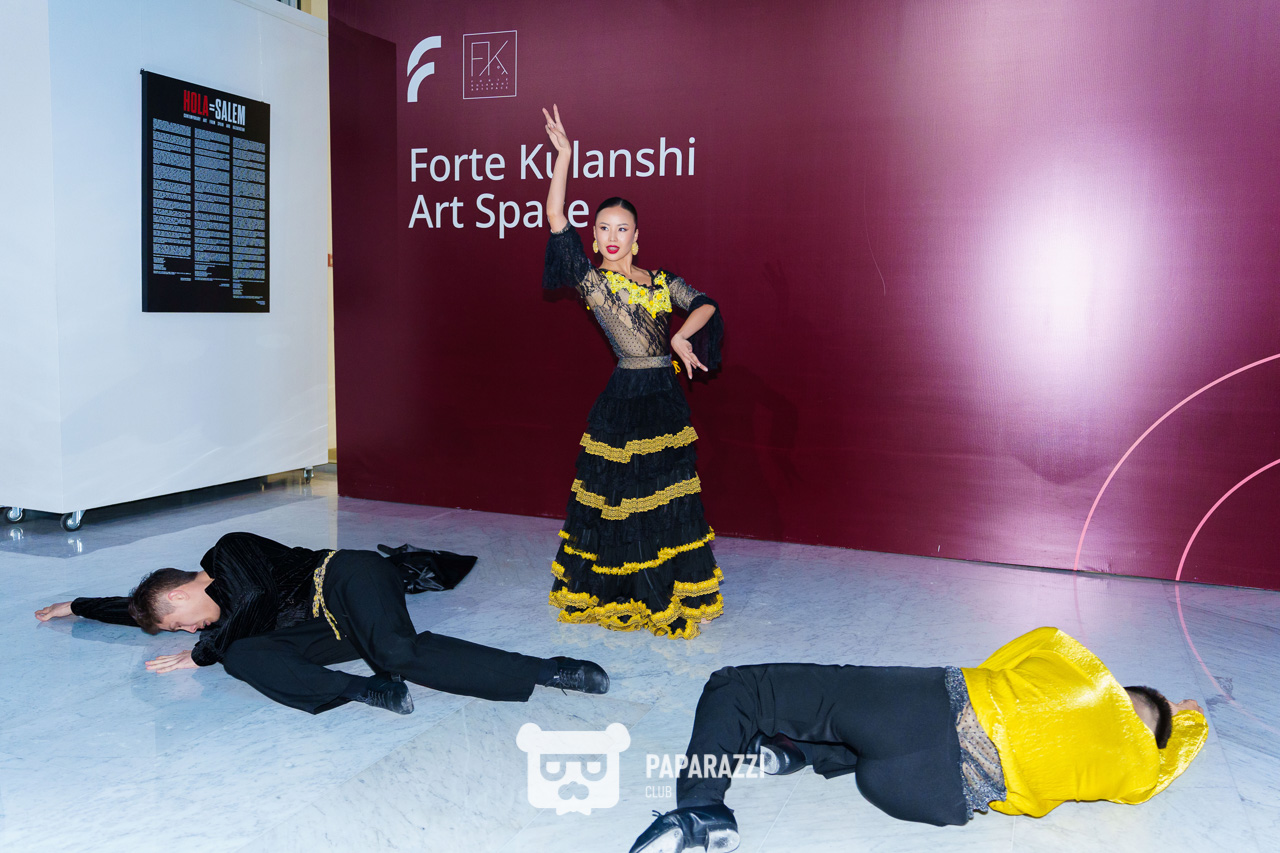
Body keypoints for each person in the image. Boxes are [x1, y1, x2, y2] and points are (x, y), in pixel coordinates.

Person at [630, 627, 1208, 853]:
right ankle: (797, 752)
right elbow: (1176, 754)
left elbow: (1004, 659)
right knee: (862, 737)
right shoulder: (1135, 774)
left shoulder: (1076, 665)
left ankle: (701, 808)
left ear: (1115, 687)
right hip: (933, 799)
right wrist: (1187, 721)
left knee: (739, 686)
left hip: (920, 713)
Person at [34, 531, 609, 714]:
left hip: (345, 579)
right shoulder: (199, 614)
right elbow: (139, 609)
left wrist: (204, 651)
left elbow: (257, 594)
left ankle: (549, 670)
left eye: (179, 622)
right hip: (323, 632)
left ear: (183, 591)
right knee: (242, 656)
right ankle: (364, 690)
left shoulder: (228, 552)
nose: (187, 632)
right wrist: (77, 606)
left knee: (398, 650)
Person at [540, 104, 726, 640]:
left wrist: (681, 336)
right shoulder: (593, 283)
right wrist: (564, 157)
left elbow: (706, 303)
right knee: (624, 501)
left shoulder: (660, 280)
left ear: (636, 234)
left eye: (622, 228)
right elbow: (556, 219)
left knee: (671, 497)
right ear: (594, 236)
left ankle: (678, 586)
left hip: (663, 395)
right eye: (603, 228)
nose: (612, 236)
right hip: (625, 399)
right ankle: (633, 591)